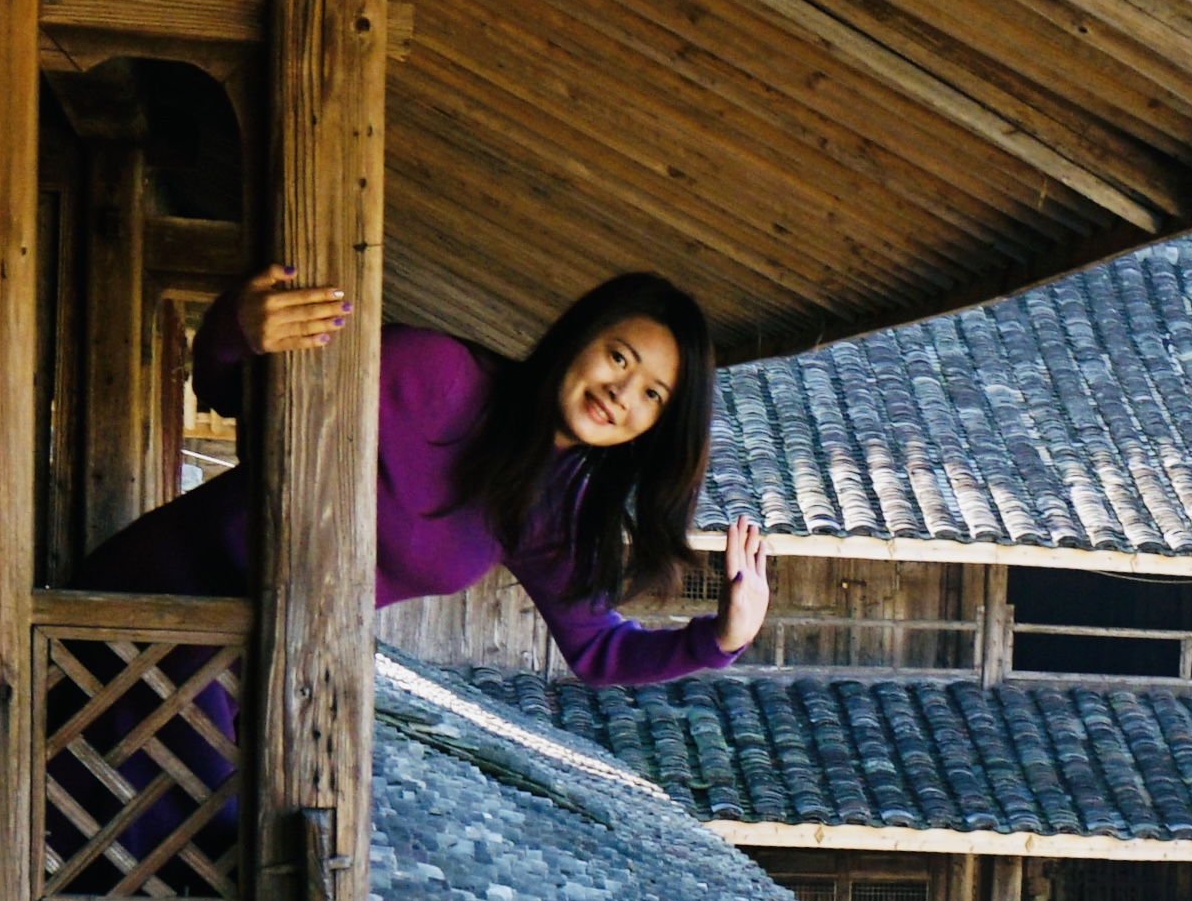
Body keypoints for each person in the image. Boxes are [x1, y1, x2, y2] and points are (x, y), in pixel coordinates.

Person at [77, 263, 771, 686]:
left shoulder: (550, 509)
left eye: (653, 395)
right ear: (579, 337)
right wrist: (240, 326)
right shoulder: (432, 371)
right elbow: (239, 392)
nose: (624, 394)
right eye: (620, 357)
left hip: (243, 662)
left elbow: (596, 651)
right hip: (143, 601)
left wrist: (720, 639)